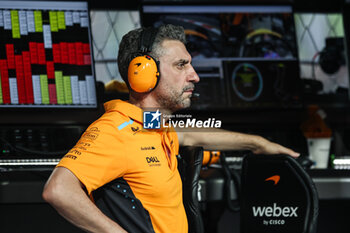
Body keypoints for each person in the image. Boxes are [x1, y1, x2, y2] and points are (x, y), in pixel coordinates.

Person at [42, 24, 299, 233]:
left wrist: (258, 143)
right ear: (143, 72)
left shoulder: (152, 125)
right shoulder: (115, 130)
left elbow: (188, 133)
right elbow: (58, 190)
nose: (194, 75)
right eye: (181, 65)